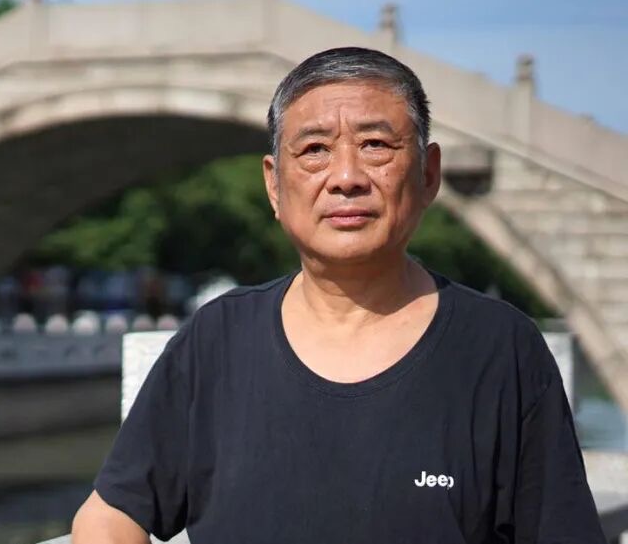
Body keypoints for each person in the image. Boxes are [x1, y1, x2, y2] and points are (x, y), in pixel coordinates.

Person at [71, 47, 605, 543]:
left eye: (376, 146)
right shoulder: (217, 341)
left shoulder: (499, 349)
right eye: (314, 151)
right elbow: (110, 515)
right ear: (274, 185)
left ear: (428, 173)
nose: (346, 177)